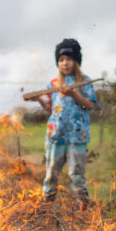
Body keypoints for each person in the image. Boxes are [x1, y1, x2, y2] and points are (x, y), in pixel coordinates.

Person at [36, 38, 97, 210]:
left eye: (69, 59)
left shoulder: (84, 82)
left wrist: (74, 95)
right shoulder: (53, 84)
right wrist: (40, 99)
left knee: (75, 174)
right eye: (61, 60)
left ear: (76, 61)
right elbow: (50, 109)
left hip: (77, 136)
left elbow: (90, 105)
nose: (65, 63)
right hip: (56, 136)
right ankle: (47, 206)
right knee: (51, 173)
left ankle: (82, 207)